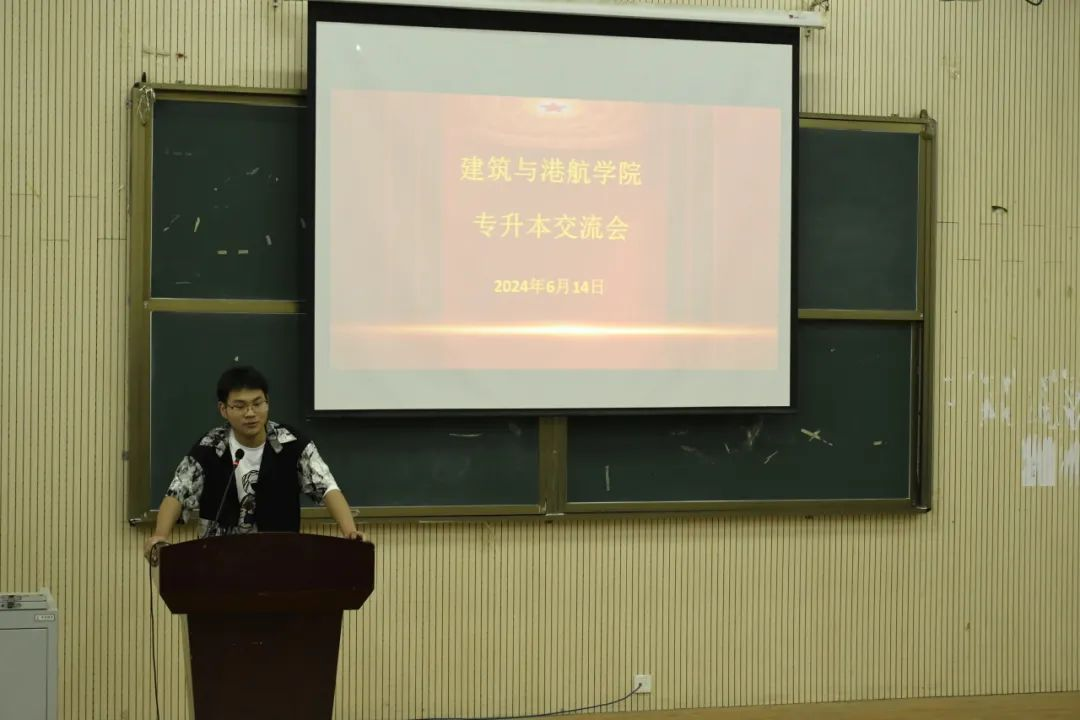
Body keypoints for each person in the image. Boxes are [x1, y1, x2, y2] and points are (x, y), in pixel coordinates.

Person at [143, 365, 362, 560]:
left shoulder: (291, 443)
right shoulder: (210, 447)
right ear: (223, 409)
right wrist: (160, 536)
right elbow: (177, 492)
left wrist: (350, 532)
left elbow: (327, 487)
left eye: (258, 404)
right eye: (240, 406)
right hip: (219, 560)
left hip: (279, 558)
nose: (250, 413)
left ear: (267, 402)